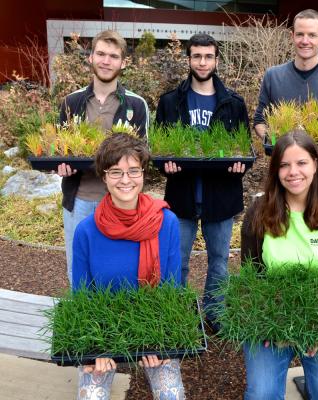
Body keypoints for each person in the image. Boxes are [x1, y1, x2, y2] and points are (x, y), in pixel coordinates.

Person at [241, 130, 318, 400]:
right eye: (284, 165)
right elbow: (250, 279)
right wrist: (266, 323)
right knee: (261, 394)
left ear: (316, 165)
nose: (293, 172)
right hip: (270, 316)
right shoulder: (258, 213)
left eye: (301, 163)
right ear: (276, 170)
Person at [72, 133, 185, 400]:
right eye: (116, 172)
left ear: (143, 173)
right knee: (91, 398)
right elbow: (82, 296)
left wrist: (159, 343)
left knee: (172, 396)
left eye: (133, 171)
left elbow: (171, 289)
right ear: (104, 177)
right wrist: (94, 350)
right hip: (103, 328)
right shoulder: (86, 231)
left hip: (155, 324)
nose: (125, 180)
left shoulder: (165, 222)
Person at [155, 33, 250, 329]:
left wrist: (239, 167)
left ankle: (215, 312)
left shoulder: (233, 103)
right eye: (197, 56)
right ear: (188, 59)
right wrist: (165, 165)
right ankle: (179, 313)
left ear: (216, 60)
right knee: (178, 261)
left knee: (219, 260)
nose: (202, 62)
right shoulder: (170, 102)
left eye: (208, 56)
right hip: (181, 195)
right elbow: (158, 150)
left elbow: (244, 151)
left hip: (220, 196)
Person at [58, 30, 149, 284]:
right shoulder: (71, 102)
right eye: (100, 54)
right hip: (79, 201)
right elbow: (60, 147)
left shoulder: (136, 104)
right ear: (91, 58)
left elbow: (143, 155)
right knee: (79, 271)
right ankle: (82, 323)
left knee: (118, 271)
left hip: (121, 202)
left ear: (123, 62)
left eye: (113, 56)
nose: (106, 61)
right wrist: (62, 165)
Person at [254, 8, 318, 197]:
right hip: (284, 175)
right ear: (292, 36)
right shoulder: (273, 76)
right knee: (280, 227)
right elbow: (259, 121)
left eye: (312, 35)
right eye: (300, 34)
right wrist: (275, 141)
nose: (305, 41)